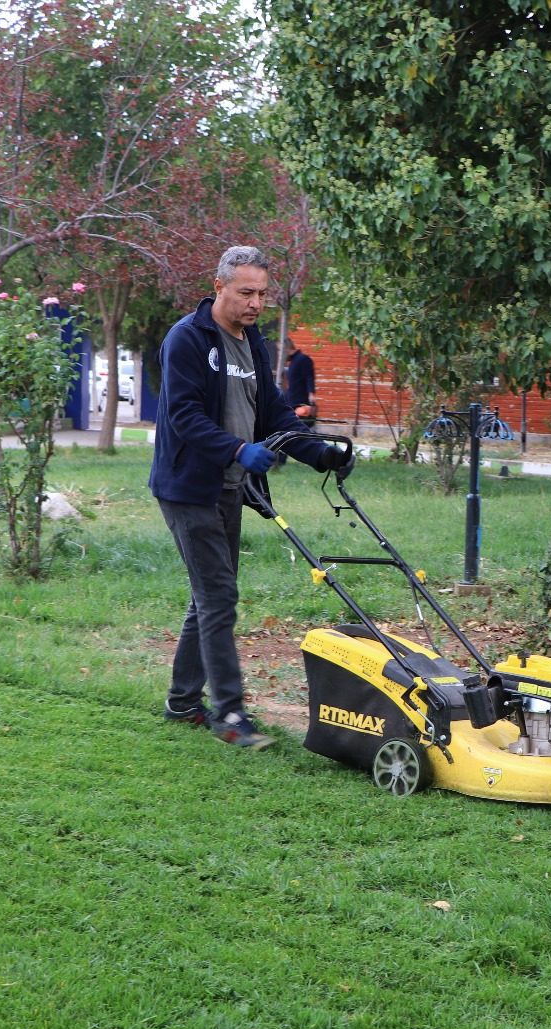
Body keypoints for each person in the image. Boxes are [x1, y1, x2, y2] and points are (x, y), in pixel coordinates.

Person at [149, 246, 355, 749]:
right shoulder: (188, 340)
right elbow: (184, 416)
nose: (256, 303)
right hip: (188, 488)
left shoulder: (253, 344)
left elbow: (277, 415)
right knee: (218, 596)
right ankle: (232, 714)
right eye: (246, 292)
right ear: (218, 286)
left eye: (263, 293)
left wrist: (320, 455)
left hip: (229, 490)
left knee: (210, 598)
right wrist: (239, 450)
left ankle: (182, 702)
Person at [282, 340, 318, 427]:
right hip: (291, 403)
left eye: (280, 350)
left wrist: (311, 393)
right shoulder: (292, 363)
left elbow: (309, 376)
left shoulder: (303, 359)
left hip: (300, 403)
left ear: (286, 349)